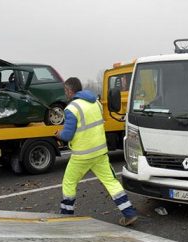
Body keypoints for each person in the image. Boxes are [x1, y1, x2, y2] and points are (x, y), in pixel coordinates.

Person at [55, 77, 138, 226]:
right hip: (100, 152)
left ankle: (66, 216)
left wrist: (59, 134)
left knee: (69, 182)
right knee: (111, 182)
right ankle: (129, 213)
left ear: (69, 90)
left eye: (65, 91)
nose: (65, 94)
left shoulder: (71, 109)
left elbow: (67, 135)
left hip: (81, 155)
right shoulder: (96, 103)